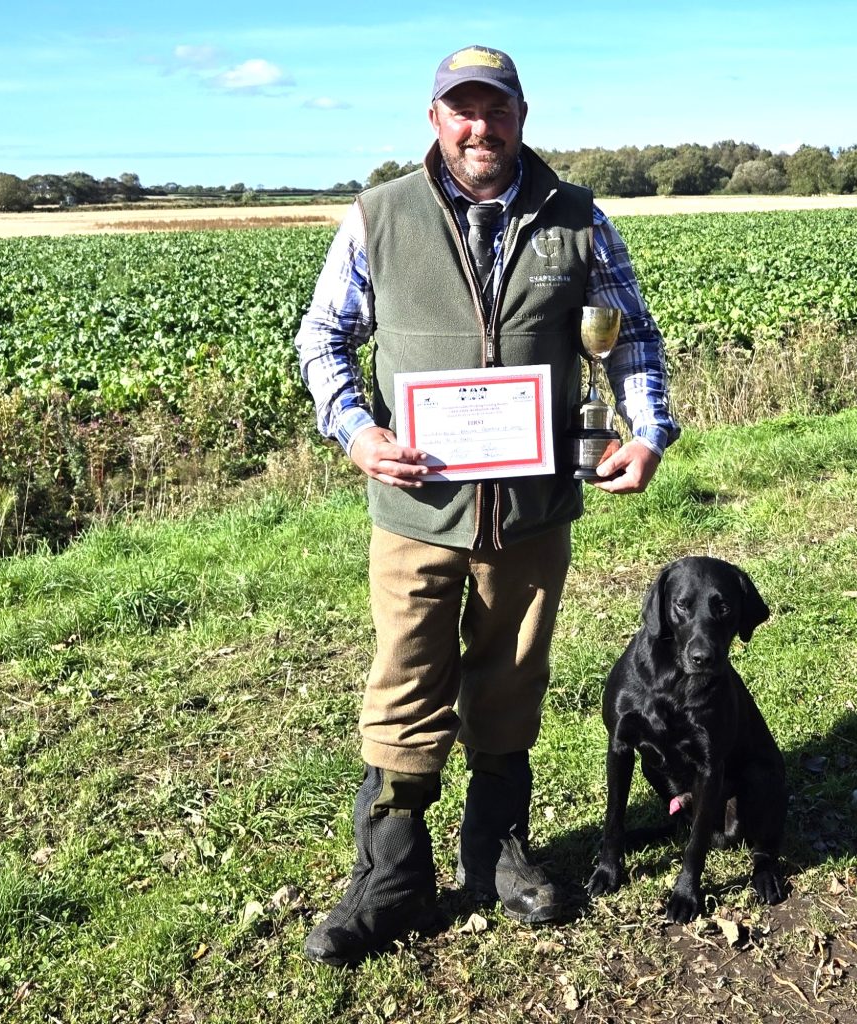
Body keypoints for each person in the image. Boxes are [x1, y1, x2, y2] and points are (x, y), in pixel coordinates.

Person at [294, 44, 680, 967]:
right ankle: (389, 878)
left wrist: (648, 431)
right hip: (417, 509)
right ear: (434, 119)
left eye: (495, 109)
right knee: (405, 680)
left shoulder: (577, 219)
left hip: (533, 511)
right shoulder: (378, 217)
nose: (480, 127)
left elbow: (630, 337)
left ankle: (498, 852)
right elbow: (323, 338)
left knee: (512, 679)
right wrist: (356, 432)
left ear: (521, 115)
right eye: (461, 109)